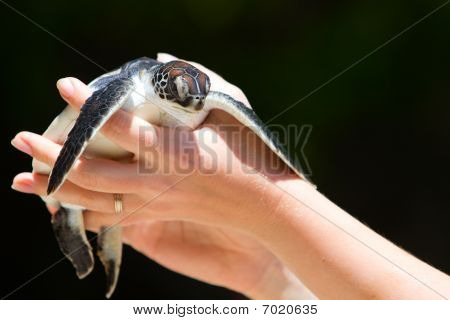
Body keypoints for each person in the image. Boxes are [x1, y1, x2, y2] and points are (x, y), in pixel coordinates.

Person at [11, 53, 450, 299]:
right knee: (73, 194)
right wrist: (264, 263)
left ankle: (71, 209)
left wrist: (270, 219)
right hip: (99, 143)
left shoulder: (203, 99)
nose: (189, 103)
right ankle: (67, 209)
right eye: (180, 95)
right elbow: (95, 110)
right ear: (161, 82)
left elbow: (249, 132)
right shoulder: (137, 82)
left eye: (195, 99)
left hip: (150, 188)